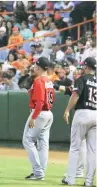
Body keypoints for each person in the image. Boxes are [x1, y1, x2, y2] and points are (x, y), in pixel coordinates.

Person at [62, 57, 96, 186]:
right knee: (93, 150)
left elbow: (75, 95)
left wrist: (67, 110)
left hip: (82, 113)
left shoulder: (82, 79)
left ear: (87, 67)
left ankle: (71, 179)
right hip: (95, 114)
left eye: (83, 66)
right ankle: (89, 182)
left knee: (75, 147)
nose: (82, 68)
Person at [22, 57, 55, 180]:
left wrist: (34, 117)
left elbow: (40, 101)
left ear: (39, 67)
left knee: (28, 141)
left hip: (39, 113)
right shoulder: (49, 80)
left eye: (36, 66)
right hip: (48, 114)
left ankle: (38, 172)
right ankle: (41, 171)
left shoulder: (39, 80)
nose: (34, 68)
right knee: (43, 143)